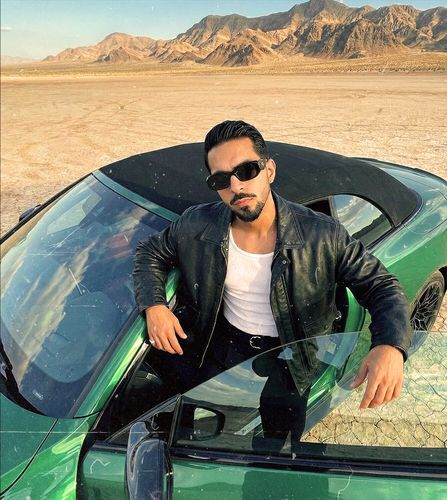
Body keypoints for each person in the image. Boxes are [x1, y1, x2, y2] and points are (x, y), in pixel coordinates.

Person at [133, 120, 412, 411]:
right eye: (221, 180)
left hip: (293, 359)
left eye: (246, 171)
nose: (236, 186)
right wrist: (155, 305)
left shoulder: (322, 235)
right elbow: (150, 251)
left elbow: (381, 286)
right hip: (222, 351)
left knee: (281, 431)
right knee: (206, 423)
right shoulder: (198, 224)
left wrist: (390, 345)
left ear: (269, 170)